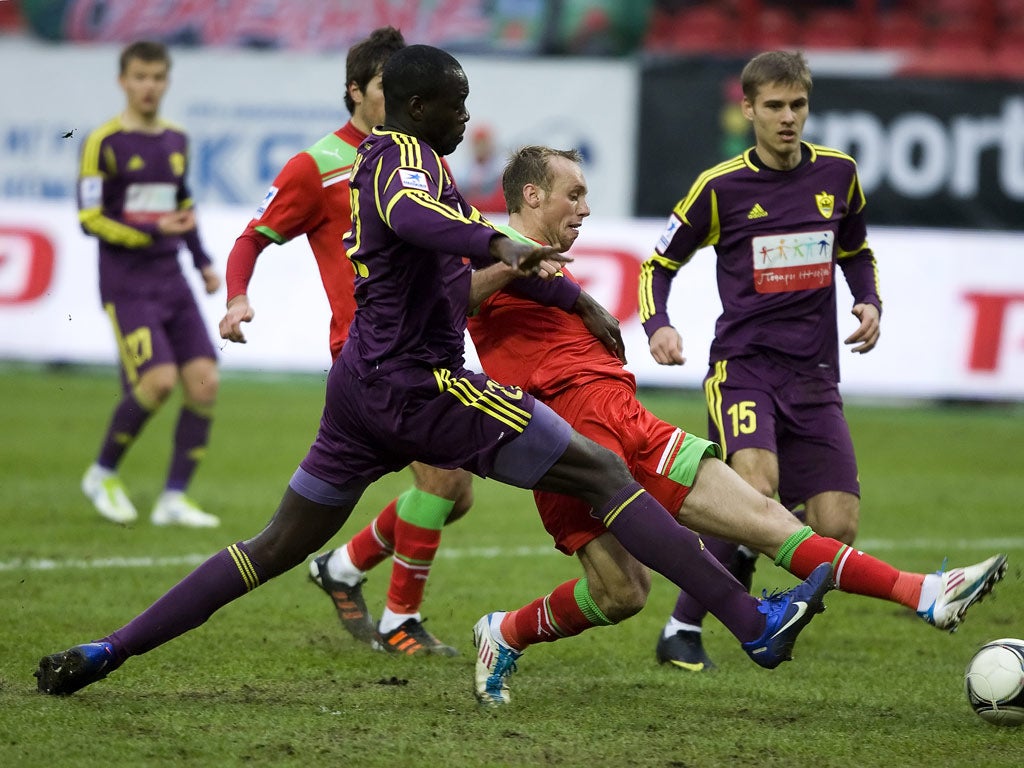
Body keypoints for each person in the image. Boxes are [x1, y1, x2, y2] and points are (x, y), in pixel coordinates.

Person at [35, 44, 834, 700]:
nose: (466, 115)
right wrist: (499, 244)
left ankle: (110, 649)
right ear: (421, 109)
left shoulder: (402, 161)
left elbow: (440, 270)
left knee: (271, 546)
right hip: (419, 384)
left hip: (358, 390)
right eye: (457, 103)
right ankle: (750, 620)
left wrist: (550, 287)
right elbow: (416, 220)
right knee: (597, 467)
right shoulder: (402, 159)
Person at [465, 145, 1007, 705]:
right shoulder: (480, 247)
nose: (584, 209)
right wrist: (518, 263)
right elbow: (454, 297)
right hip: (570, 436)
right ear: (532, 196)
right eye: (573, 194)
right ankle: (744, 618)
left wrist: (577, 299)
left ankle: (925, 592)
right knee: (650, 576)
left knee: (716, 541)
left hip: (616, 414)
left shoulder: (552, 268)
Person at [218, 27, 466, 656]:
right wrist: (237, 296)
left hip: (419, 347)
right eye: (389, 86)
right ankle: (398, 621)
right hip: (368, 354)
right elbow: (253, 236)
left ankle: (344, 566)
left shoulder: (422, 160)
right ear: (357, 91)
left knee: (453, 493)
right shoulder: (317, 165)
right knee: (439, 484)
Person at [639, 50, 885, 670]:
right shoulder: (719, 188)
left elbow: (855, 249)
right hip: (743, 368)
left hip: (816, 377)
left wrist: (869, 301)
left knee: (837, 529)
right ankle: (698, 625)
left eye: (797, 105)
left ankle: (718, 598)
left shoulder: (839, 175)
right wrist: (658, 324)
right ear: (747, 108)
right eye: (773, 106)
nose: (787, 118)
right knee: (754, 488)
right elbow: (658, 264)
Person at [77, 40, 220, 529]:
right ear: (123, 80)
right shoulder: (103, 142)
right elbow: (90, 217)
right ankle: (101, 473)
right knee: (157, 382)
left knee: (205, 383)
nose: (149, 86)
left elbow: (184, 207)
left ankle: (173, 498)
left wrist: (202, 260)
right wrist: (149, 232)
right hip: (127, 285)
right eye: (140, 77)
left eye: (157, 77)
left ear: (166, 81)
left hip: (173, 280)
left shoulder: (176, 140)